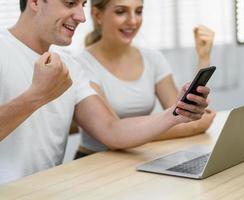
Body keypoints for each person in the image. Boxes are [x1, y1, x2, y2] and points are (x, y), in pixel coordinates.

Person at [0, 0, 210, 184]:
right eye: (70, 3)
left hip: (44, 189)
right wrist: (37, 95)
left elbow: (112, 130)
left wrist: (175, 113)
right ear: (35, 1)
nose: (81, 17)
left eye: (82, 5)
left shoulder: (71, 68)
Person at [74, 0, 216, 158]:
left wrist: (203, 58)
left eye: (139, 11)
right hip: (94, 160)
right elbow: (113, 133)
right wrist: (191, 126)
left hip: (136, 156)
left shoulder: (152, 58)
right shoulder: (82, 65)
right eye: (121, 12)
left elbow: (181, 116)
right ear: (97, 15)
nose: (133, 21)